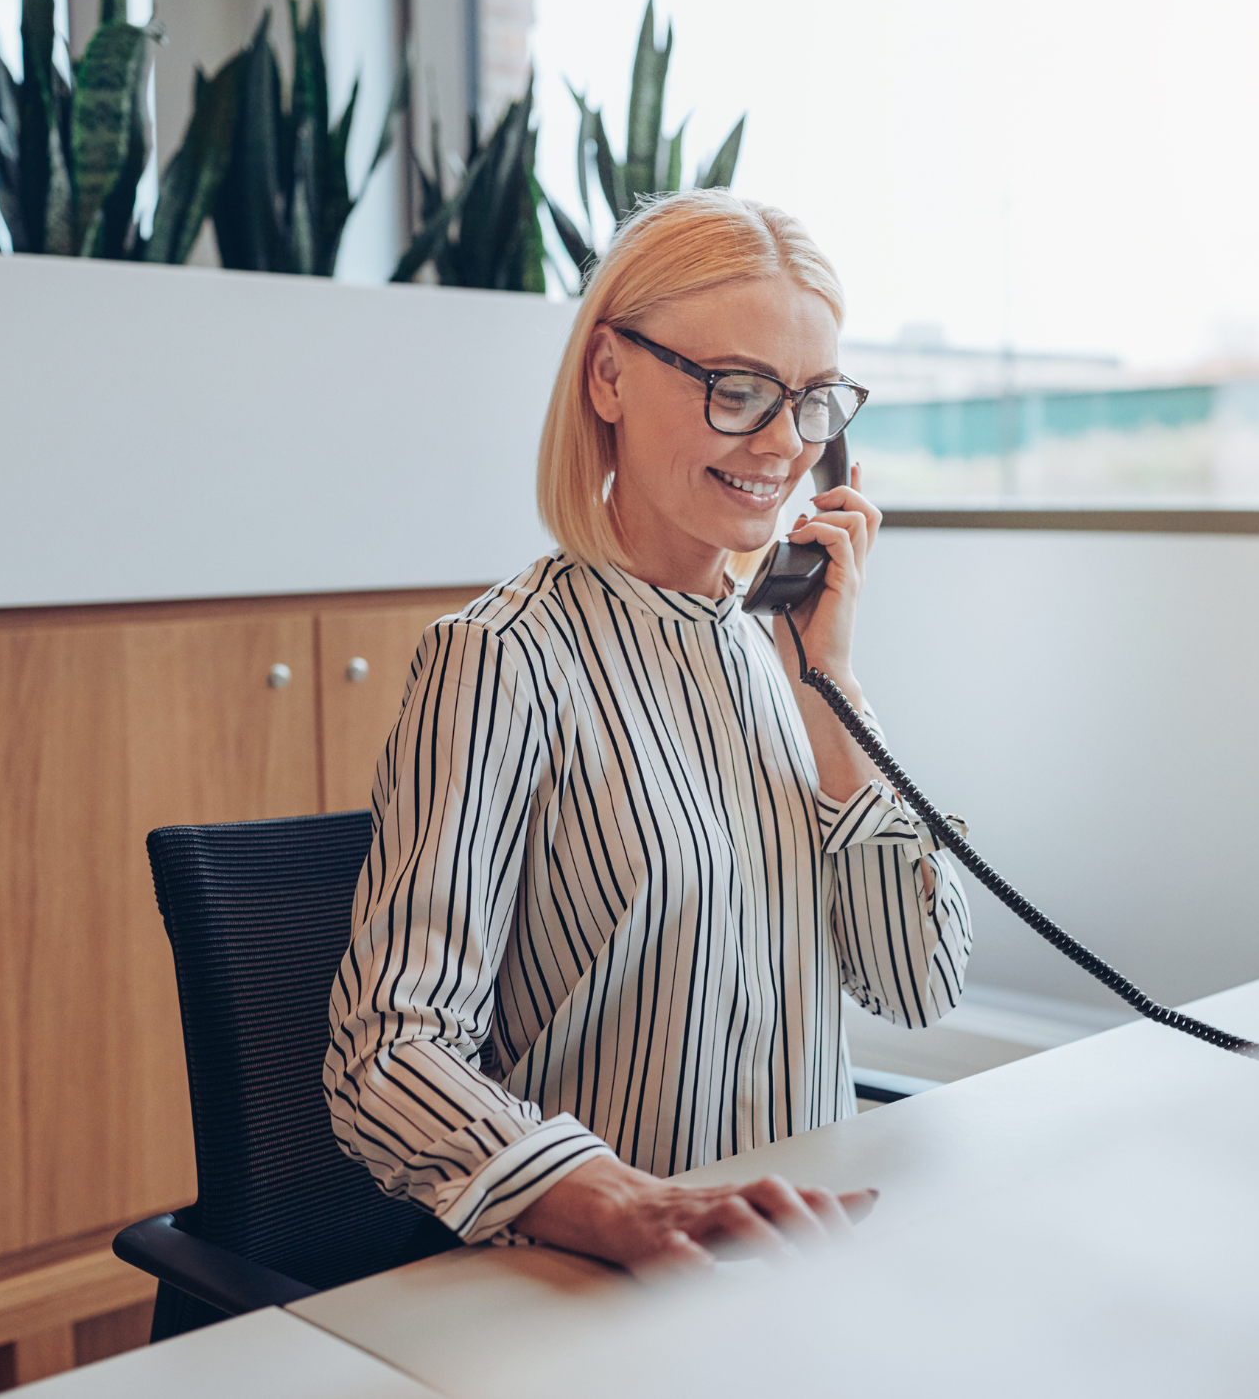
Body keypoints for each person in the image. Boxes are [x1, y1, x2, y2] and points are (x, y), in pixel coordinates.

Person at [325, 191, 973, 1276]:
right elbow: (391, 1054)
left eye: (814, 401)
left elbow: (917, 981)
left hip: (804, 1256)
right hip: (613, 1272)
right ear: (608, 375)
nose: (781, 443)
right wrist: (629, 1204)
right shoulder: (504, 657)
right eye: (738, 389)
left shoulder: (789, 655)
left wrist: (833, 687)